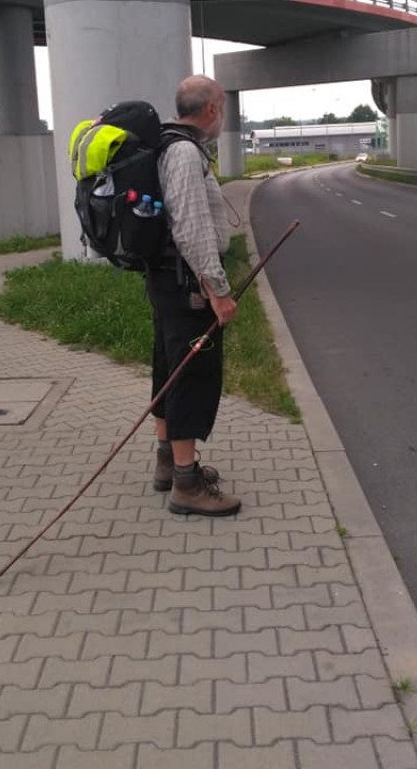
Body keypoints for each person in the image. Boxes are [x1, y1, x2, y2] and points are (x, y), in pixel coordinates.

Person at [145, 74, 241, 516]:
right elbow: (191, 228)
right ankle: (186, 485)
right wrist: (217, 289)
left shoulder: (170, 145)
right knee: (191, 375)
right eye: (221, 105)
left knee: (168, 367)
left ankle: (169, 464)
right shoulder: (184, 152)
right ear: (211, 109)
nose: (222, 114)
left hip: (169, 281)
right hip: (187, 286)